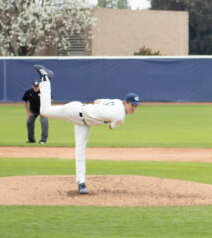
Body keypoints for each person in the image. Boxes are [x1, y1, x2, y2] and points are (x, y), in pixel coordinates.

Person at [33, 64, 140, 195]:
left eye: (136, 106)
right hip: (75, 112)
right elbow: (111, 127)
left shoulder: (117, 101)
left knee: (80, 151)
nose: (134, 108)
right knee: (44, 111)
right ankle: (45, 77)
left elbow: (97, 101)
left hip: (83, 123)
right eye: (132, 105)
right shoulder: (120, 117)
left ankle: (81, 183)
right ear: (126, 103)